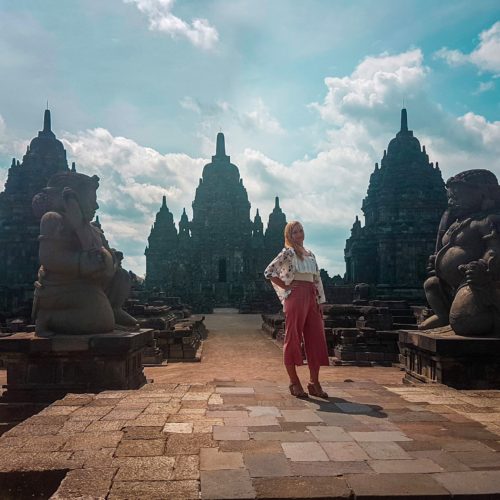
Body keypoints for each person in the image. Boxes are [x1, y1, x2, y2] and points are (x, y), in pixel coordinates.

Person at [264, 220, 330, 398]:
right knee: (293, 338)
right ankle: (294, 382)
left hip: (312, 295)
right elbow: (269, 272)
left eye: (300, 231)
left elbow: (317, 279)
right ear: (289, 236)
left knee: (316, 338)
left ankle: (314, 382)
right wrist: (286, 287)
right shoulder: (288, 253)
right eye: (294, 232)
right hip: (296, 295)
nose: (299, 234)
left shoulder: (311, 254)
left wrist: (321, 301)